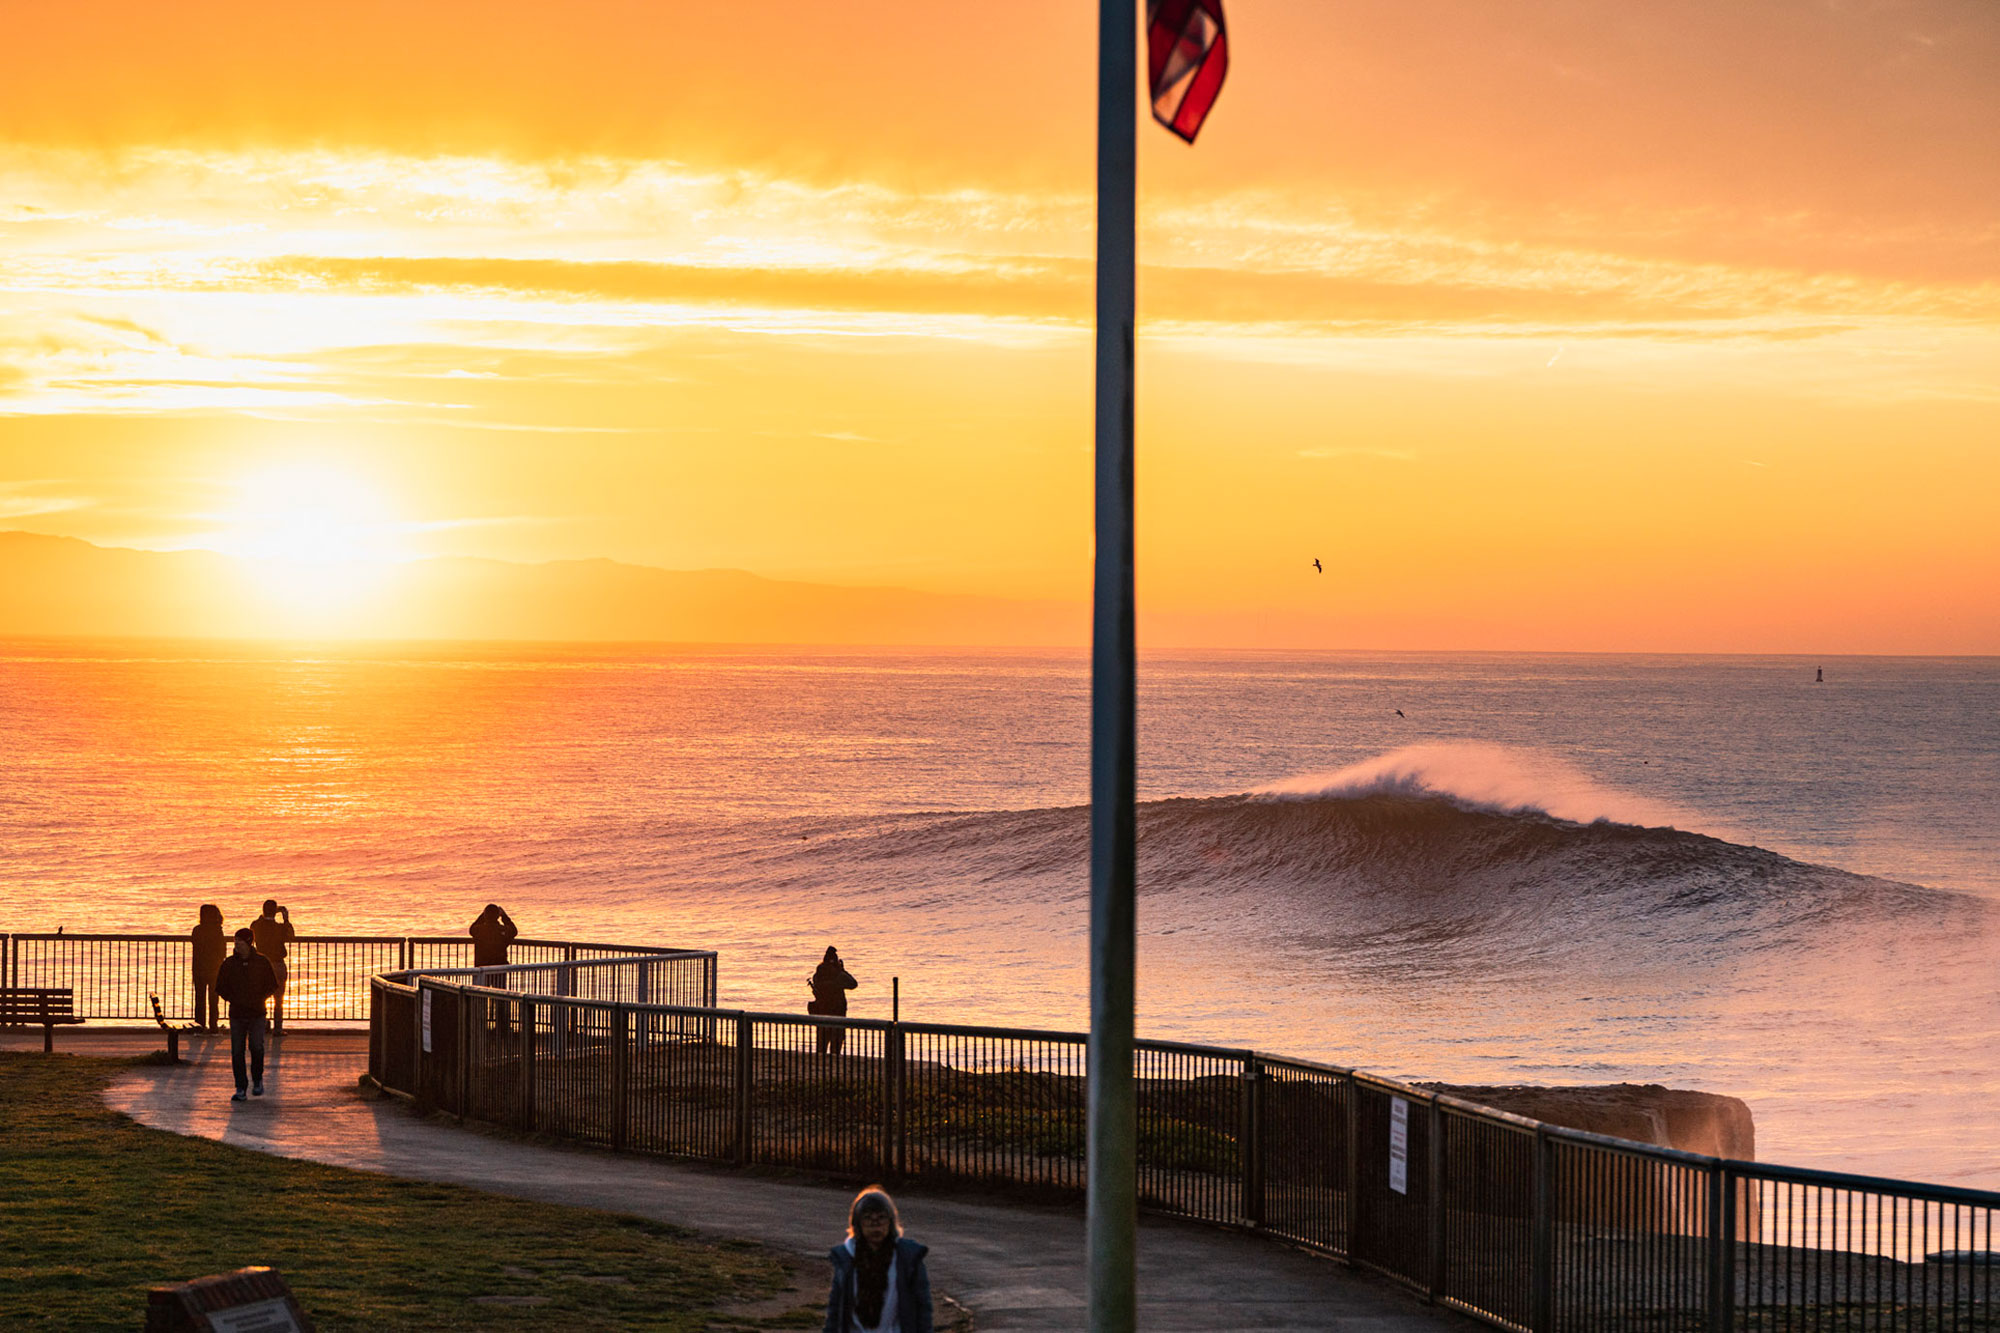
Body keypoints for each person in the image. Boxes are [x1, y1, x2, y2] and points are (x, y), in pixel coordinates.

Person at [824, 1187, 932, 1333]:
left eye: (881, 1217)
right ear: (858, 1224)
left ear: (890, 1222)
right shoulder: (846, 1259)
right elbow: (835, 1309)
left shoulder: (907, 1259)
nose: (875, 1225)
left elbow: (922, 1306)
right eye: (868, 1218)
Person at [213, 927, 278, 1102]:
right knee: (237, 1051)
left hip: (257, 1012)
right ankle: (240, 1087)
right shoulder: (229, 963)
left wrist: (260, 997)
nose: (237, 945)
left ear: (249, 942)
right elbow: (220, 986)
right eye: (235, 942)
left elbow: (272, 984)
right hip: (237, 1013)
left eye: (240, 942)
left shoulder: (262, 962)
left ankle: (257, 1080)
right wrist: (233, 998)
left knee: (257, 1047)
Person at [250, 899, 296, 1031]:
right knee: (279, 998)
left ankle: (260, 1025)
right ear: (275, 913)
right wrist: (286, 919)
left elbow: (254, 926)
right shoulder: (280, 928)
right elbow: (291, 936)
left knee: (260, 997)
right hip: (277, 964)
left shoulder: (256, 925)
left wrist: (265, 915)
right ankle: (278, 1028)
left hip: (260, 965)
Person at [809, 946, 857, 1056]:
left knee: (821, 1048)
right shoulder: (838, 975)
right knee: (835, 1048)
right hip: (837, 1014)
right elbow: (853, 984)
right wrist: (842, 970)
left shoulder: (818, 974)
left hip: (822, 1014)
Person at [190, 904, 226, 1032]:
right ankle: (213, 1026)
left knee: (199, 998)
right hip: (214, 968)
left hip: (199, 968)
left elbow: (196, 946)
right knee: (213, 999)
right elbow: (222, 951)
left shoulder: (197, 930)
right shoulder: (217, 930)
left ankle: (199, 1026)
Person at [469, 903, 519, 984]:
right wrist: (505, 917)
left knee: (480, 993)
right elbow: (514, 931)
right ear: (498, 916)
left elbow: (471, 929)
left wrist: (483, 916)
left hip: (482, 967)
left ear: (485, 916)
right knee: (499, 993)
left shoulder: (479, 930)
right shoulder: (503, 930)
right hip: (499, 968)